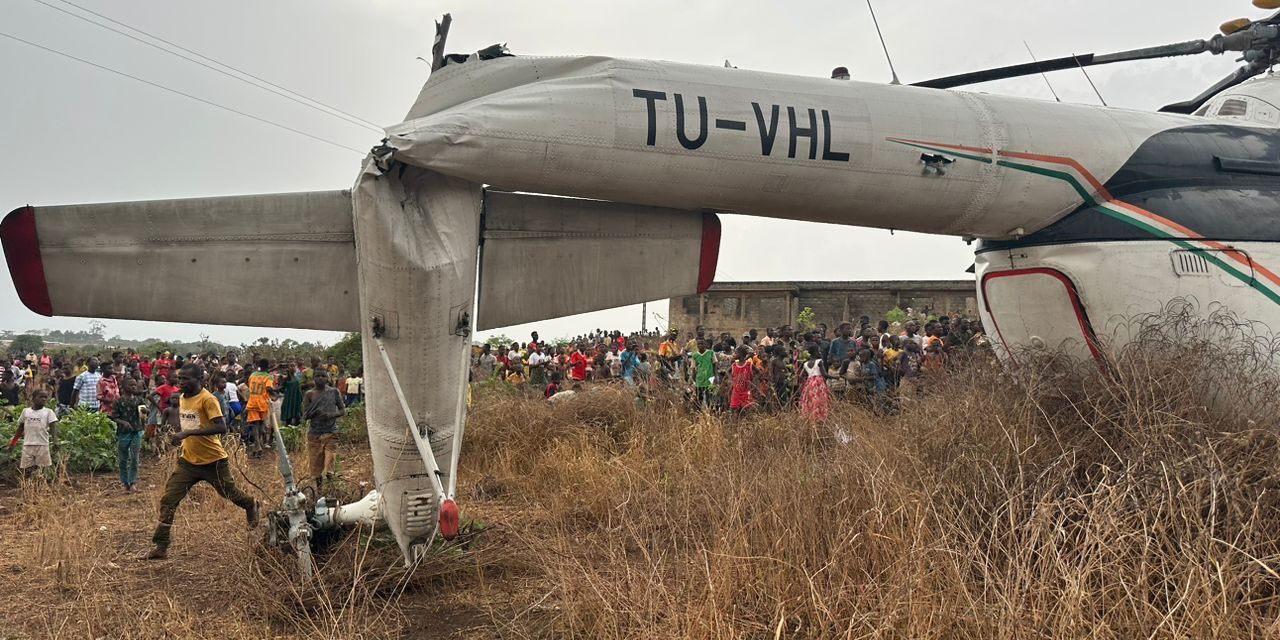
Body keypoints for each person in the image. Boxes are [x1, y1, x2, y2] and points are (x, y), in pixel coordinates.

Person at [146, 364, 259, 559]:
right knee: (169, 500)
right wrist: (179, 437)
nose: (181, 382)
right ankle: (161, 546)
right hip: (188, 461)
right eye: (180, 378)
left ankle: (250, 504)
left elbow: (221, 427)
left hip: (213, 461)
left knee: (230, 493)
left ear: (200, 380)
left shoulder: (208, 399)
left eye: (185, 379)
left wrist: (187, 433)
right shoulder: (182, 398)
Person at [301, 371, 345, 488]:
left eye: (323, 376)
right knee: (316, 468)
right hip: (314, 435)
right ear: (313, 378)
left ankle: (332, 490)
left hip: (330, 432)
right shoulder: (309, 394)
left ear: (327, 378)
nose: (320, 378)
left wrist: (330, 415)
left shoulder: (334, 392)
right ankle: (320, 492)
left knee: (330, 465)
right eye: (318, 376)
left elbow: (342, 411)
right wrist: (314, 412)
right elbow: (304, 416)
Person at [12, 389, 58, 478]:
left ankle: (40, 483)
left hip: (42, 444)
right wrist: (13, 442)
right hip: (28, 444)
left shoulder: (48, 412)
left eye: (45, 397)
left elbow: (53, 427)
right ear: (32, 398)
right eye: (41, 397)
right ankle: (27, 484)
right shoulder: (26, 411)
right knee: (26, 468)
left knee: (42, 469)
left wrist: (55, 441)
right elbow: (20, 428)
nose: (44, 399)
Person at [112, 378, 146, 492]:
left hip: (136, 431)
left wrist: (145, 415)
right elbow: (114, 417)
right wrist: (124, 422)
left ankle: (133, 482)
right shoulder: (118, 401)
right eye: (131, 385)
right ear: (123, 387)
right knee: (123, 458)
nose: (134, 387)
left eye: (135, 385)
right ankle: (124, 482)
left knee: (134, 457)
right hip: (123, 432)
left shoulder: (139, 400)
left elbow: (143, 417)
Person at [244, 359, 274, 456]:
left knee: (254, 424)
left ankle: (257, 445)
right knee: (261, 423)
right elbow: (269, 388)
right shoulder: (269, 377)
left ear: (259, 366)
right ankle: (258, 445)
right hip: (263, 402)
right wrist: (275, 391)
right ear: (268, 366)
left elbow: (249, 385)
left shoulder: (252, 375)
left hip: (253, 401)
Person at [799, 347, 831, 422]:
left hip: (809, 383)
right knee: (820, 399)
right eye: (819, 351)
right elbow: (825, 374)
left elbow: (800, 375)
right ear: (815, 353)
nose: (820, 353)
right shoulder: (819, 361)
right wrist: (836, 377)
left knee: (811, 399)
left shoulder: (805, 364)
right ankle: (820, 417)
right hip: (818, 382)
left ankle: (811, 417)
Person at [690, 339, 716, 408]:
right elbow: (693, 368)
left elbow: (715, 365)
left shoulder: (711, 353)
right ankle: (699, 411)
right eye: (699, 344)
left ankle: (710, 411)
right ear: (697, 345)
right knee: (699, 396)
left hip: (710, 378)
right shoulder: (695, 355)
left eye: (702, 344)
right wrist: (693, 378)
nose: (700, 345)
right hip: (699, 378)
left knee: (710, 396)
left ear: (705, 344)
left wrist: (715, 377)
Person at [729, 346, 755, 414]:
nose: (734, 355)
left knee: (746, 409)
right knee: (734, 408)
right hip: (736, 391)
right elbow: (727, 372)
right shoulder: (734, 365)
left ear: (741, 354)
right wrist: (731, 380)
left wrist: (752, 381)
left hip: (746, 391)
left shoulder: (748, 364)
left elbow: (759, 373)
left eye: (736, 353)